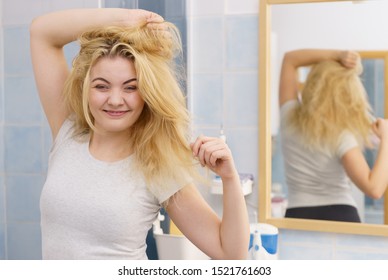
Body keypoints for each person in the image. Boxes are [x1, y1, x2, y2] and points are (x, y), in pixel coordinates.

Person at [30, 8, 249, 260]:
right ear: (85, 88)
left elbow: (231, 255)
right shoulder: (68, 131)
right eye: (101, 86)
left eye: (130, 87)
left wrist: (230, 178)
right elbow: (41, 33)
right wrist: (124, 20)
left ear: (148, 92)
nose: (114, 100)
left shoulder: (158, 164)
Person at [278, 49, 388, 222]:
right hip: (340, 216)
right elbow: (374, 189)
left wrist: (338, 56)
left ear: (312, 85)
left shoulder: (288, 117)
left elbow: (290, 59)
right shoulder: (341, 136)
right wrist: (387, 139)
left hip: (296, 215)